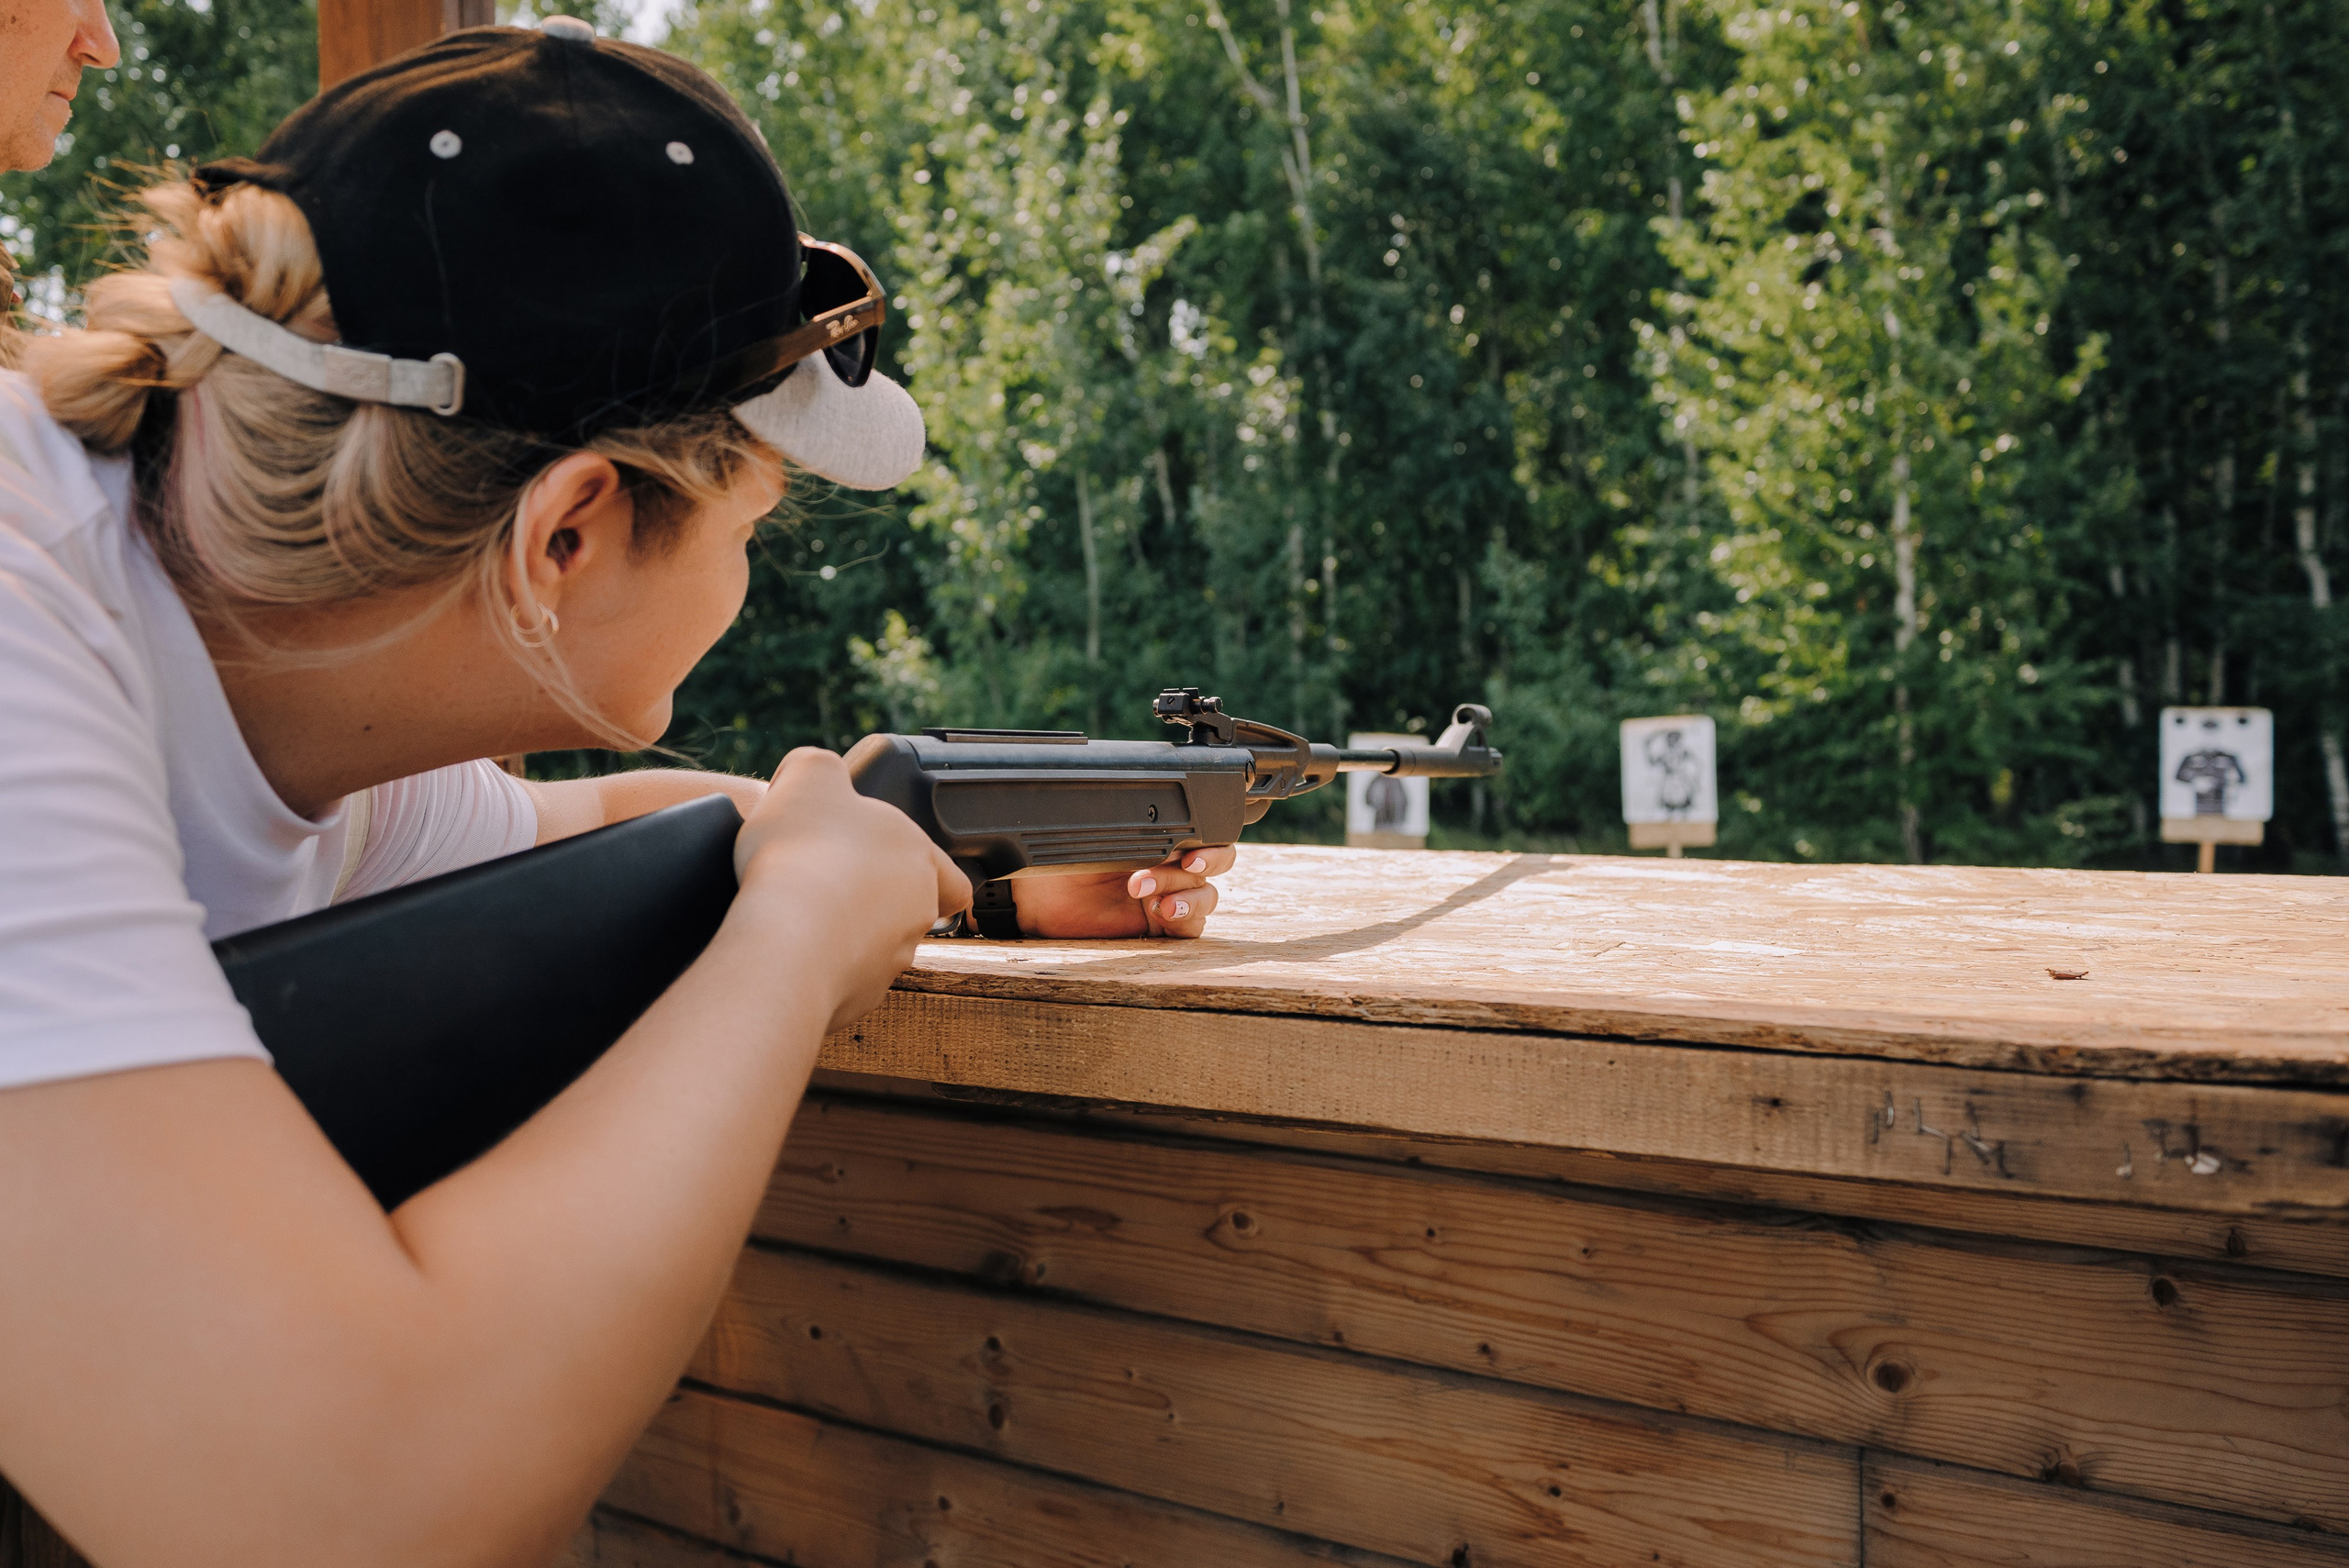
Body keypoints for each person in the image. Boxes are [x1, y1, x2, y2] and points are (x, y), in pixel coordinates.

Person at [0, 25, 1229, 1567]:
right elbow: (345, 1508)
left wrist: (956, 870)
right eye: (756, 522)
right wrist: (792, 952)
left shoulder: (244, 646)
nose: (747, 575)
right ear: (568, 532)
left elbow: (565, 837)